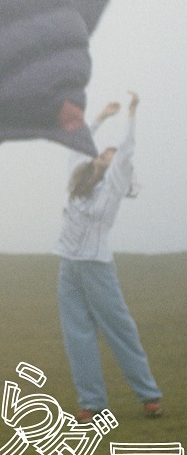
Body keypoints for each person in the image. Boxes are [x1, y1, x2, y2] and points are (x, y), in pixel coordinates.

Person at [55, 90, 163, 422]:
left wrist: (131, 115)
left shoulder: (113, 187)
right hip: (68, 267)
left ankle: (148, 395)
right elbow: (78, 144)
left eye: (111, 156)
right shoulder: (79, 177)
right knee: (77, 335)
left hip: (97, 267)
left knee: (119, 329)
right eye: (103, 152)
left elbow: (126, 152)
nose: (106, 155)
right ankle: (91, 402)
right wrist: (101, 116)